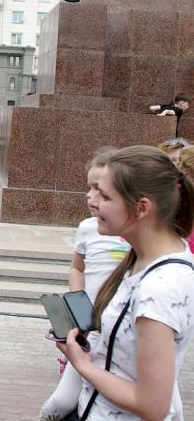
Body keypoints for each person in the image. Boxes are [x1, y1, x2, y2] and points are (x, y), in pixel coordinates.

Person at [56, 145, 194, 420]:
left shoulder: (161, 286)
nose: (92, 200)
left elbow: (152, 405)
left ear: (142, 207)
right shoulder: (141, 260)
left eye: (104, 195)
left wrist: (82, 363)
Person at [40, 150, 131, 420]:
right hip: (90, 325)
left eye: (102, 192)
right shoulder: (89, 228)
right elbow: (77, 267)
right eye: (90, 188)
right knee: (59, 404)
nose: (91, 197)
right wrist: (76, 302)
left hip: (114, 333)